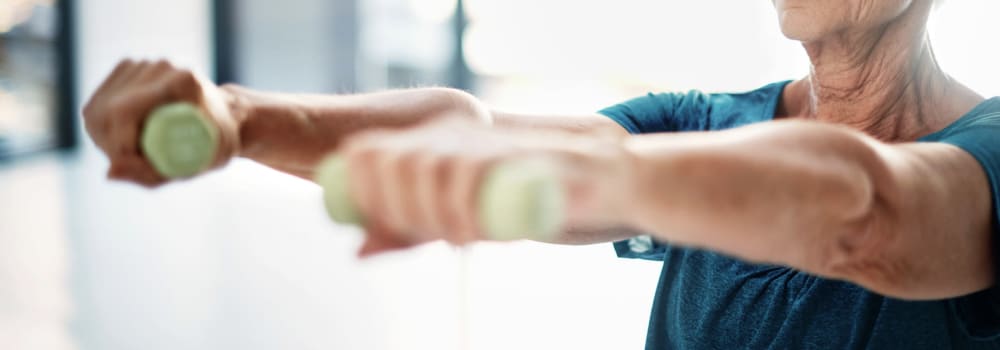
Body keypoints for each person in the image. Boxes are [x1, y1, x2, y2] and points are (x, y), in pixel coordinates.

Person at [83, 0, 1000, 348]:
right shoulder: (704, 121)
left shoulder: (987, 146)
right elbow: (471, 127)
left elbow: (874, 213)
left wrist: (620, 179)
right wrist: (242, 117)